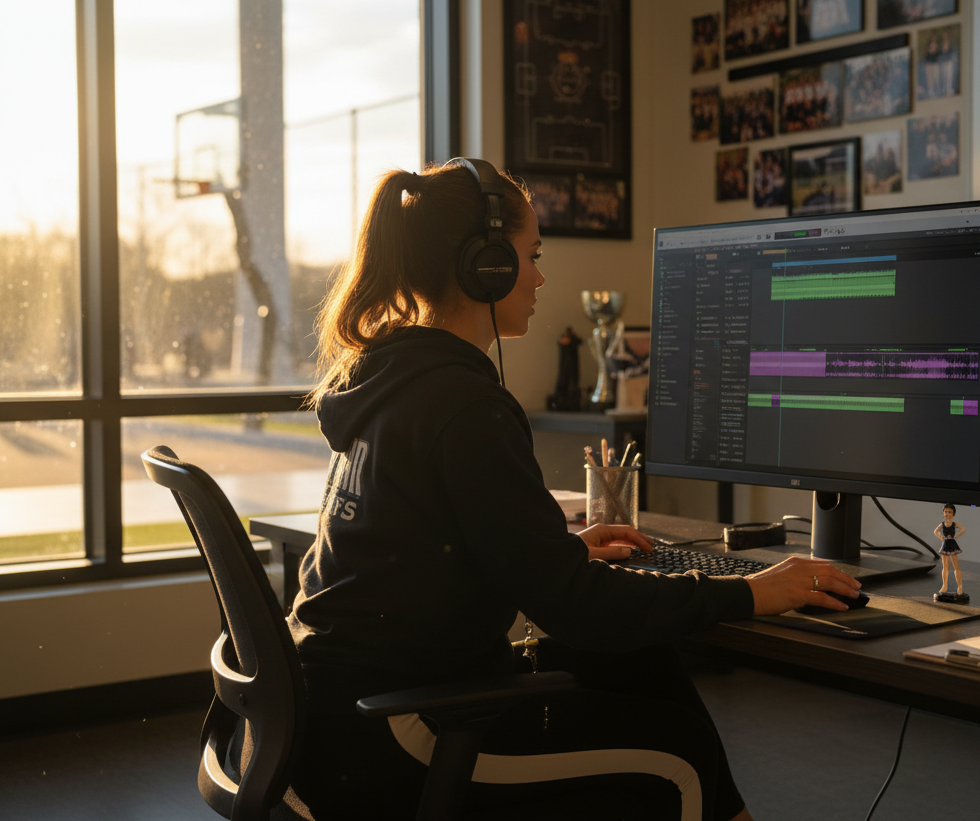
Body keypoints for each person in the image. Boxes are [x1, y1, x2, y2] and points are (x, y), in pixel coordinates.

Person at [287, 158, 863, 820]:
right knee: (682, 753)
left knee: (642, 666)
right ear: (486, 266)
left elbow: (441, 549)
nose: (538, 276)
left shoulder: (397, 380)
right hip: (389, 736)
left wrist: (559, 550)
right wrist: (750, 591)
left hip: (343, 712)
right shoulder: (461, 405)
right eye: (530, 256)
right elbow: (579, 609)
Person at [933, 503, 967, 601]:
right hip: (945, 545)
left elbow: (963, 529)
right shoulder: (942, 524)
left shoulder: (954, 524)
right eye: (946, 512)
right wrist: (942, 538)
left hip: (952, 545)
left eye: (949, 512)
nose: (947, 514)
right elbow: (936, 532)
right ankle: (944, 586)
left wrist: (955, 536)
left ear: (953, 514)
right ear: (943, 513)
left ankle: (960, 586)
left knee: (956, 567)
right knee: (945, 567)